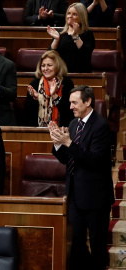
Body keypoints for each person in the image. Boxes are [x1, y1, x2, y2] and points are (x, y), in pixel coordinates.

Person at [49, 85, 114, 270]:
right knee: (76, 243)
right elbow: (66, 159)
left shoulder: (101, 126)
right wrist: (58, 144)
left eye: (74, 102)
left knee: (97, 244)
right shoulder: (73, 124)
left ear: (87, 102)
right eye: (70, 103)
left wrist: (68, 142)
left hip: (96, 197)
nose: (71, 107)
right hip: (75, 195)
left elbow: (93, 160)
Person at [24, 50, 74, 127]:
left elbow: (69, 111)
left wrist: (54, 95)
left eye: (49, 65)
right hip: (38, 130)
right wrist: (36, 98)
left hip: (62, 129)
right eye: (43, 66)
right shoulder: (35, 83)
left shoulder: (67, 83)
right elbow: (28, 114)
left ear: (57, 66)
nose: (45, 68)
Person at [47, 2, 95, 73]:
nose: (70, 16)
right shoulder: (60, 33)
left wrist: (75, 36)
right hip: (61, 74)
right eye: (69, 13)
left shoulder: (87, 34)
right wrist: (56, 39)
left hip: (80, 75)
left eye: (74, 14)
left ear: (82, 17)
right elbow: (50, 55)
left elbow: (85, 54)